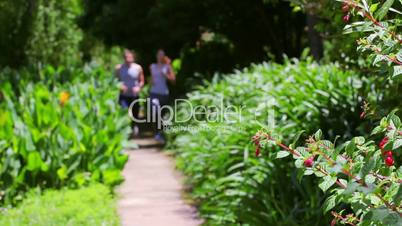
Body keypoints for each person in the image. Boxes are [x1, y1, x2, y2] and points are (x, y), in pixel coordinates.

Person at [115, 49, 145, 136]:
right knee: (124, 111)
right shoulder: (119, 68)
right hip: (123, 94)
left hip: (134, 95)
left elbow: (142, 81)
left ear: (133, 58)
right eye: (126, 57)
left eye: (130, 57)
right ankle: (125, 130)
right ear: (124, 58)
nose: (128, 59)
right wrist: (120, 86)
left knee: (135, 112)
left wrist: (138, 87)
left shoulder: (138, 68)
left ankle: (134, 126)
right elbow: (116, 80)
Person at [150, 49, 176, 142]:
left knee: (163, 114)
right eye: (159, 55)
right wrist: (151, 82)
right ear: (156, 56)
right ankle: (157, 133)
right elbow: (151, 80)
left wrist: (166, 74)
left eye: (162, 55)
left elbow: (173, 80)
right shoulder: (152, 66)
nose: (160, 57)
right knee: (155, 112)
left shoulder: (167, 67)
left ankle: (162, 133)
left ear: (164, 56)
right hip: (154, 92)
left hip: (164, 93)